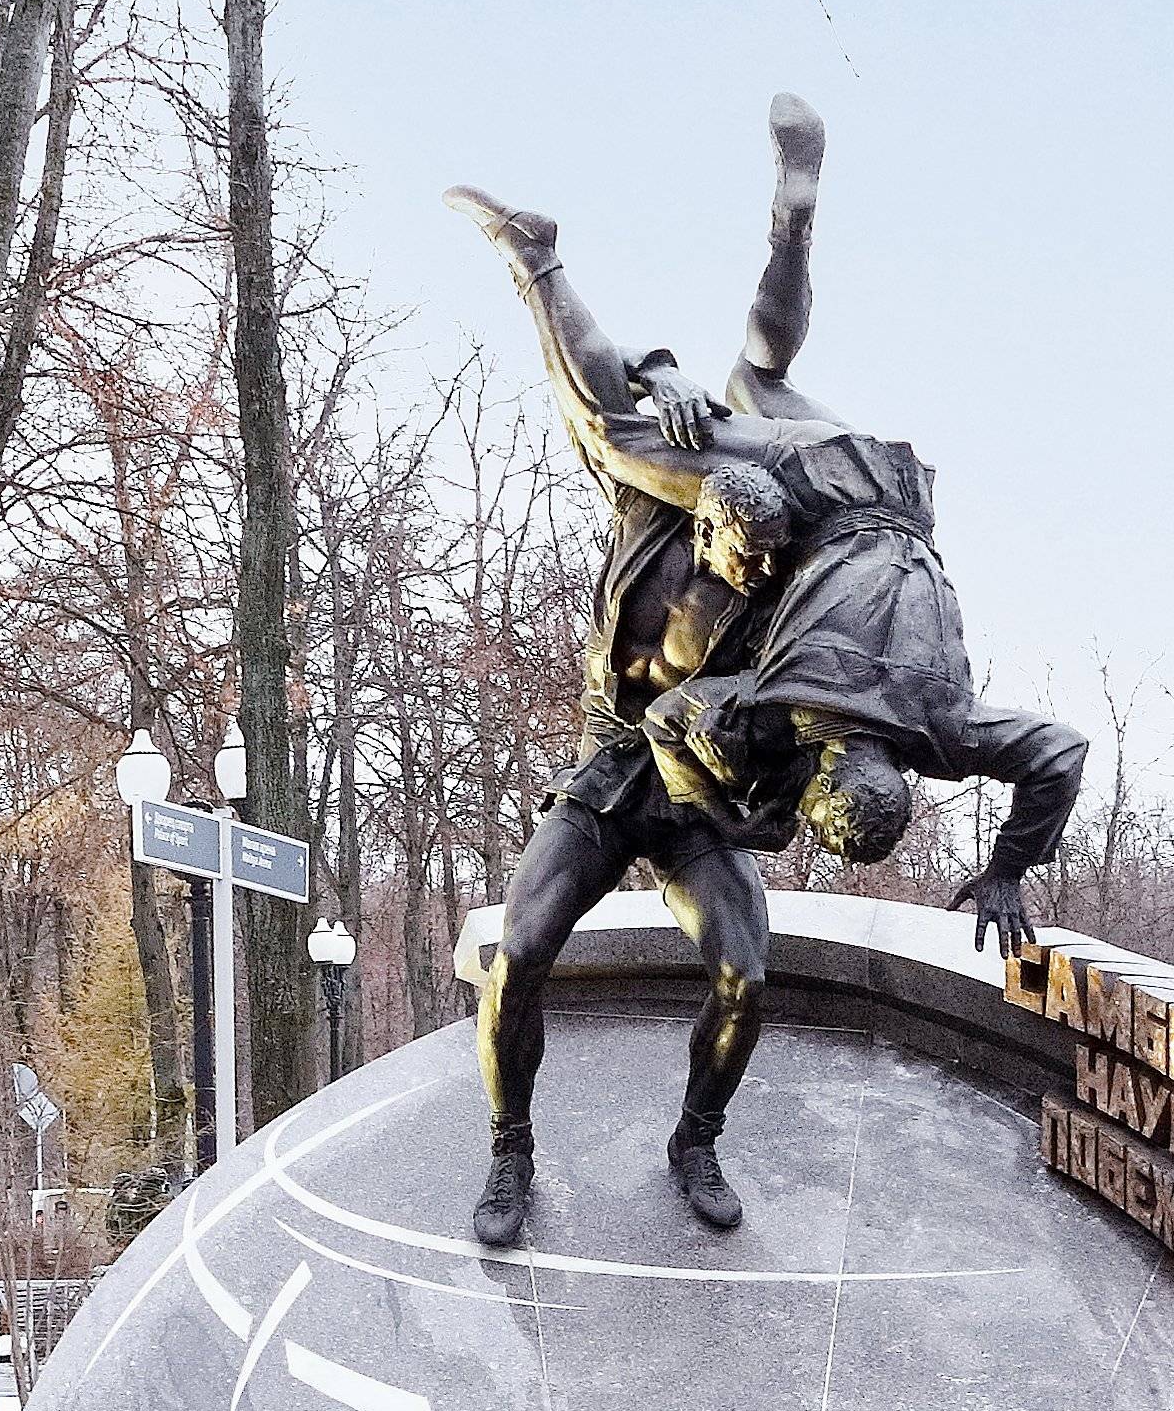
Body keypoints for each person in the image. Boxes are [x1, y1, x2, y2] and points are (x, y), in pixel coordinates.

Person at [447, 100, 1086, 1249]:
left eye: (765, 554)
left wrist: (753, 804)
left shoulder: (799, 589)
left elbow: (762, 747)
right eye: (734, 546)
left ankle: (697, 1136)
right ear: (703, 515)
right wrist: (662, 372)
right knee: (521, 951)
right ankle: (510, 1147)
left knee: (745, 972)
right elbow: (607, 396)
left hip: (713, 796)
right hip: (614, 768)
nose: (750, 565)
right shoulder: (659, 500)